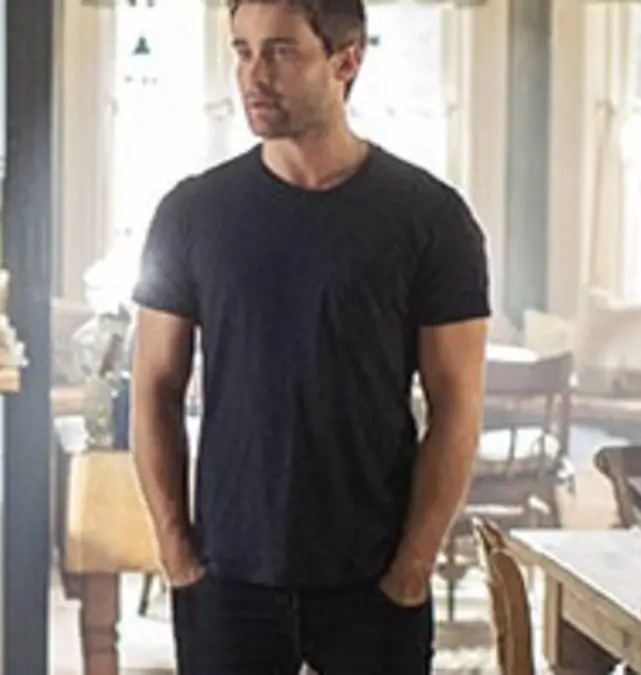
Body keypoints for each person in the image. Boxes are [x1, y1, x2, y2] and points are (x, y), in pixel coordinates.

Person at [129, 0, 490, 672]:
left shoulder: (432, 219)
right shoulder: (191, 213)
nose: (253, 75)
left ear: (346, 60)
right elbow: (153, 388)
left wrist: (411, 569)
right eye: (242, 51)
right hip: (227, 579)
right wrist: (177, 554)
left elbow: (458, 406)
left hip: (374, 584)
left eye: (280, 51)